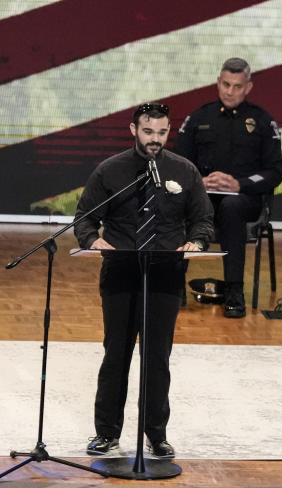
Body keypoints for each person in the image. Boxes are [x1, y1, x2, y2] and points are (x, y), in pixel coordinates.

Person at [74, 103, 213, 459]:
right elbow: (84, 220)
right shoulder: (111, 170)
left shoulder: (184, 171)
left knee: (157, 358)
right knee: (116, 355)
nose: (155, 140)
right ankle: (106, 434)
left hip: (165, 274)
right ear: (133, 129)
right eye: (148, 132)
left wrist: (196, 242)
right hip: (121, 273)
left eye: (162, 133)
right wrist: (93, 240)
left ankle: (156, 434)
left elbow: (202, 221)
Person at [175, 57, 282, 318]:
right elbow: (177, 166)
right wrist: (198, 182)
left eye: (237, 86)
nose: (230, 91)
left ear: (248, 87)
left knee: (231, 207)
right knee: (178, 205)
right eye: (225, 84)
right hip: (203, 197)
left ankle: (235, 290)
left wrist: (240, 184)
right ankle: (173, 284)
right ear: (218, 83)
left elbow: (274, 173)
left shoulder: (262, 122)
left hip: (244, 200)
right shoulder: (198, 117)